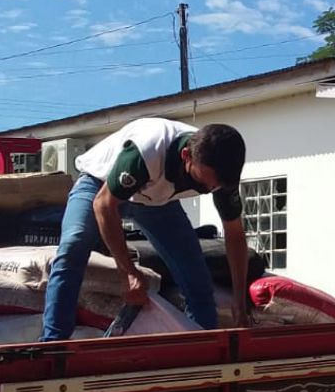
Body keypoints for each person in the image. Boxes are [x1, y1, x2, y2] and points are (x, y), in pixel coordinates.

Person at [42, 118, 251, 340]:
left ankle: (202, 351)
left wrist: (239, 298)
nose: (209, 189)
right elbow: (104, 206)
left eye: (215, 186)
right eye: (203, 181)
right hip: (99, 185)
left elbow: (235, 234)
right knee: (74, 244)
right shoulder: (148, 149)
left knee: (196, 277)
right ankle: (54, 344)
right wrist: (129, 273)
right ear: (186, 156)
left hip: (157, 203)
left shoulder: (221, 174)